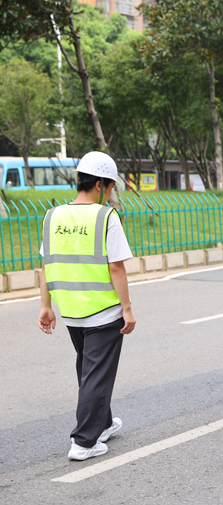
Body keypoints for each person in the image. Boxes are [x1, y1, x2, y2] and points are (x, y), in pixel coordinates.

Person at [37, 151, 136, 461]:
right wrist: (128, 308)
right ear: (98, 185)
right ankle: (84, 442)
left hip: (71, 312)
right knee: (96, 374)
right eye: (109, 188)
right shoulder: (106, 217)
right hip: (103, 311)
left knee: (89, 369)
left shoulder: (52, 216)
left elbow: (46, 264)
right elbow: (116, 268)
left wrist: (45, 306)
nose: (109, 195)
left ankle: (102, 424)